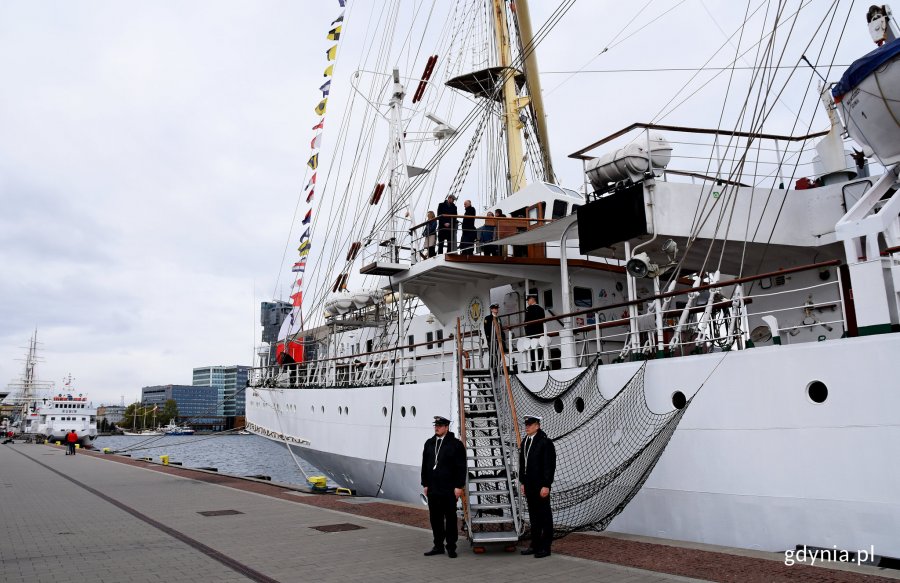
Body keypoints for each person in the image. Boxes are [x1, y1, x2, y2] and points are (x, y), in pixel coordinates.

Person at [421, 415, 466, 558]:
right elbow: (425, 465)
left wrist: (459, 486)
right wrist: (425, 483)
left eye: (440, 426)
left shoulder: (456, 444)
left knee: (451, 519)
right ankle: (438, 545)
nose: (437, 427)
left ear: (446, 427)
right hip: (433, 488)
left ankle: (451, 546)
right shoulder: (429, 443)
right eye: (436, 425)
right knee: (435, 518)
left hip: (448, 489)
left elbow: (461, 467)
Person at [518, 415, 556, 558]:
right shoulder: (525, 441)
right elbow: (523, 465)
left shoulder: (545, 442)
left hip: (541, 486)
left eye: (530, 424)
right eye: (526, 424)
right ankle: (535, 545)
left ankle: (546, 548)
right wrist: (523, 482)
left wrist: (546, 485)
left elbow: (549, 466)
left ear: (537, 426)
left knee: (545, 517)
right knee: (534, 517)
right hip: (529, 486)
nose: (527, 427)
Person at [524, 294, 546, 370]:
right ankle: (541, 364)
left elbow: (526, 322)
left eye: (528, 300)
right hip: (540, 332)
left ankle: (534, 366)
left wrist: (527, 333)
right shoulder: (541, 309)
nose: (527, 302)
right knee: (540, 348)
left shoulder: (529, 309)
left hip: (531, 333)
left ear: (532, 299)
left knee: (533, 349)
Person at [483, 303, 507, 369]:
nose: (496, 309)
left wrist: (503, 339)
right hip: (492, 339)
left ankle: (497, 366)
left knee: (499, 353)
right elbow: (486, 329)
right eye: (494, 308)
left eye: (497, 308)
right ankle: (491, 367)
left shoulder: (498, 318)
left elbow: (501, 329)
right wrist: (488, 339)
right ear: (491, 309)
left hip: (499, 339)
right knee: (492, 353)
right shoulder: (487, 318)